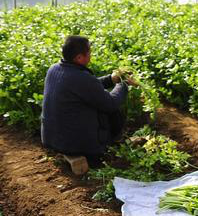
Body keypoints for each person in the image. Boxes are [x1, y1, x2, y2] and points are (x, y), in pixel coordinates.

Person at [41, 35, 136, 165]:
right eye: (89, 52)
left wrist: (111, 79)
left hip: (52, 138)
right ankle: (103, 148)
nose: (91, 54)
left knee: (99, 102)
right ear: (79, 58)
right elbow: (111, 103)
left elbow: (88, 87)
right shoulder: (81, 78)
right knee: (112, 111)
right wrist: (123, 84)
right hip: (74, 144)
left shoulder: (54, 68)